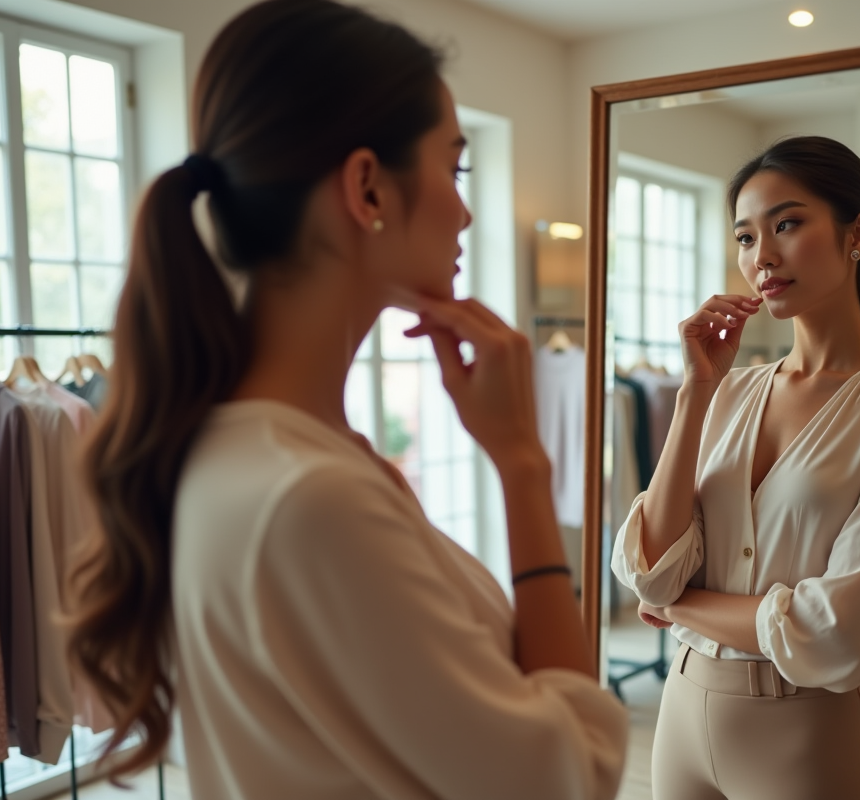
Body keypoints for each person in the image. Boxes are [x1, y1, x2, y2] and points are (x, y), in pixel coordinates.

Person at [63, 2, 627, 798]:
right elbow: (574, 773)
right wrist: (523, 467)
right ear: (367, 187)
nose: (466, 211)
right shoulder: (309, 496)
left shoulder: (244, 452)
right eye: (454, 167)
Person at [612, 136, 860, 800]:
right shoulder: (728, 391)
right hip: (680, 717)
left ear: (857, 234)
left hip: (804, 735)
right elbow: (651, 566)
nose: (761, 256)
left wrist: (679, 608)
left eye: (787, 225)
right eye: (744, 238)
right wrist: (693, 393)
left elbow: (839, 633)